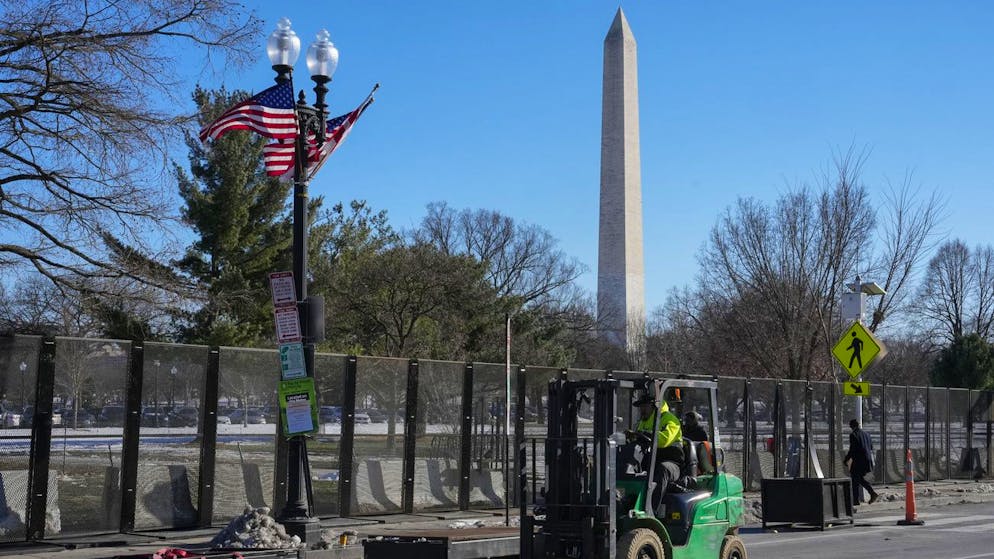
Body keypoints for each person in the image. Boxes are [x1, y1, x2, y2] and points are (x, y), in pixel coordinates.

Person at [627, 391, 684, 495]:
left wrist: (646, 434)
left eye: (645, 406)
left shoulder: (670, 420)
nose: (642, 409)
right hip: (652, 460)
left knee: (663, 469)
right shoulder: (643, 422)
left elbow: (664, 440)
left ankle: (652, 509)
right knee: (629, 465)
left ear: (654, 406)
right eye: (641, 407)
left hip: (672, 463)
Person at [844, 418, 879, 505]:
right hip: (867, 461)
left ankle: (868, 495)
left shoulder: (853, 435)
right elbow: (871, 447)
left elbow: (852, 450)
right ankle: (858, 499)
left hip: (858, 462)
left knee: (856, 479)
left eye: (850, 426)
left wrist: (846, 459)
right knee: (857, 479)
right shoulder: (867, 434)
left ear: (852, 426)